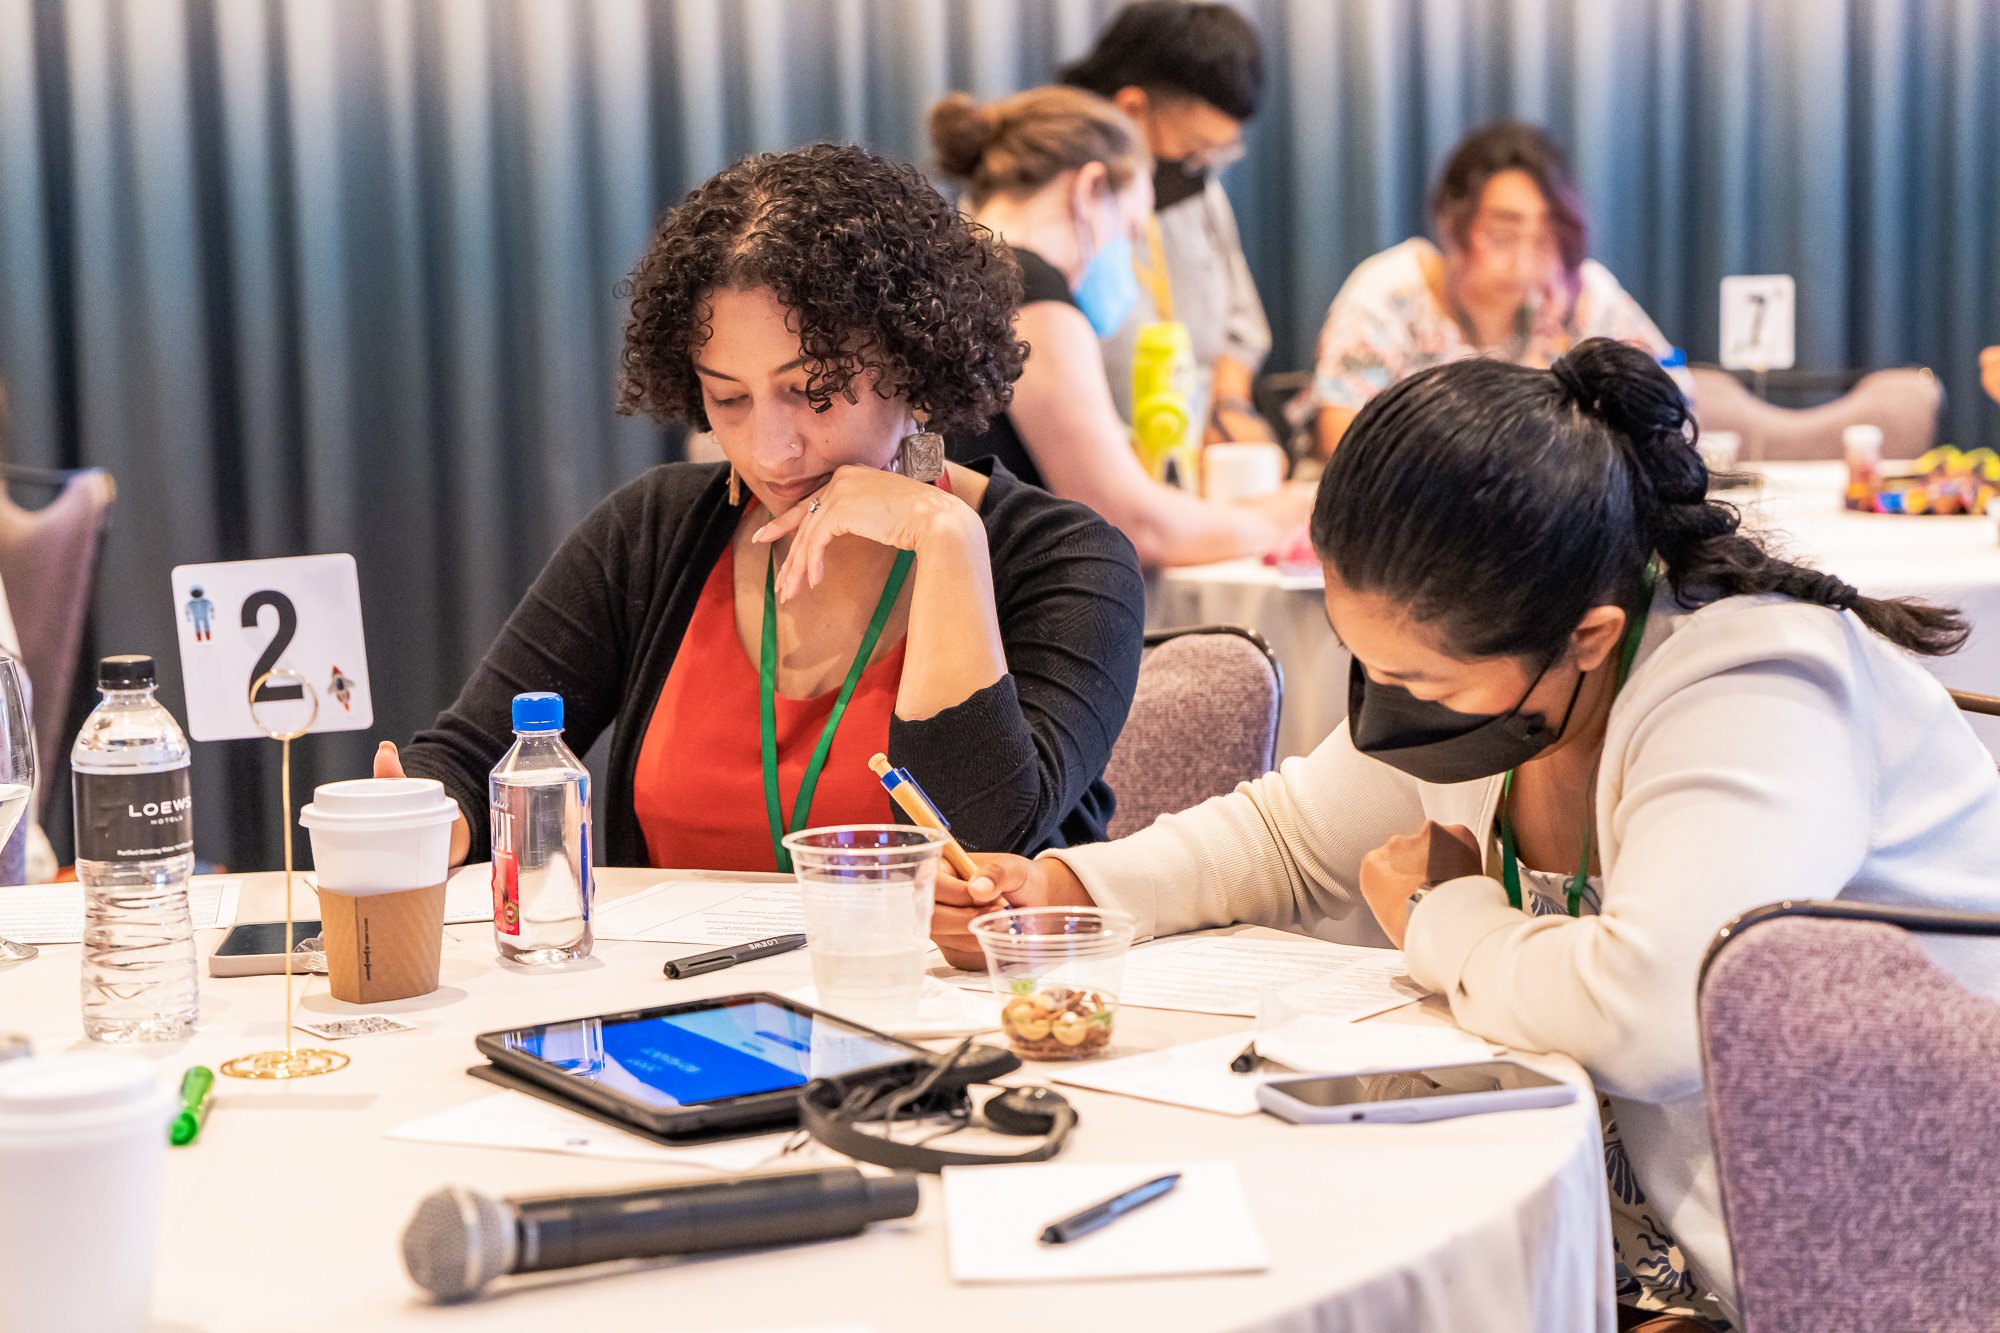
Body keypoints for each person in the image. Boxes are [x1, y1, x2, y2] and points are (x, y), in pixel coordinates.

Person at [932, 339, 2000, 1328]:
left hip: (1857, 1265)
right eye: (1367, 665)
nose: (1392, 706)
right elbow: (1292, 831)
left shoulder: (1753, 687)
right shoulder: (1513, 681)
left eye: (1417, 680)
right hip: (1630, 1252)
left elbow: (1653, 1016)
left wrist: (1440, 916)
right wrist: (1069, 887)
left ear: (1588, 637)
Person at [379, 144, 1145, 874]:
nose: (770, 449)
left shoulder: (1070, 563)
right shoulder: (652, 532)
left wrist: (946, 539)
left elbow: (980, 838)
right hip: (679, 1002)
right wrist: (428, 813)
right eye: (728, 399)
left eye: (811, 392)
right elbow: (472, 755)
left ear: (914, 367)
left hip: (948, 1006)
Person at [935, 87, 1305, 567]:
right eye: (1130, 231)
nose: (1128, 259)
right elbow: (1133, 524)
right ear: (1090, 189)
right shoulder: (1028, 290)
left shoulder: (951, 273)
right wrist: (1282, 512)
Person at [1301, 122, 1681, 456]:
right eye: (1503, 235)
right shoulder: (1389, 292)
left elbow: (1673, 393)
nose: (1524, 259)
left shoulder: (1582, 291)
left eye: (1545, 237)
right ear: (1451, 221)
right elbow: (1341, 436)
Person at [1061, 0, 1274, 446]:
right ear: (1132, 108)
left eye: (1218, 151)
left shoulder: (1198, 189)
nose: (1201, 167)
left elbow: (1241, 321)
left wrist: (1230, 407)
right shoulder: (1053, 209)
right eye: (1194, 147)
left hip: (1193, 453)